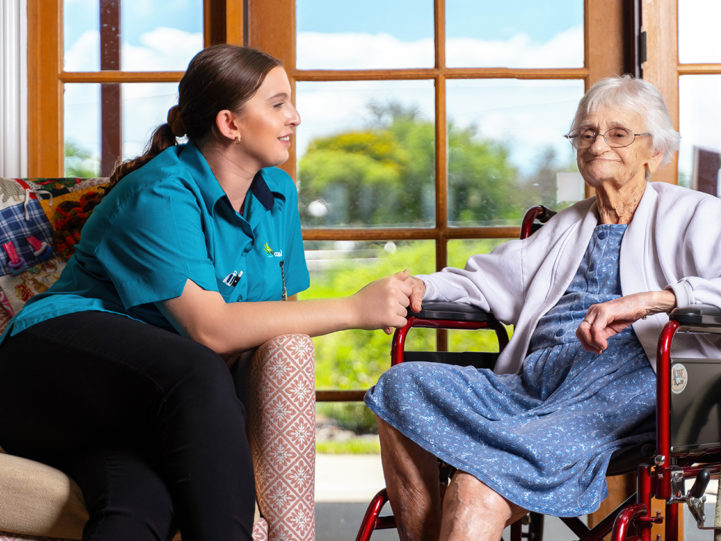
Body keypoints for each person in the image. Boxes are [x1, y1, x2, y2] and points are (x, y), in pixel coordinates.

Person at [0, 44, 413, 541]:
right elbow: (210, 330)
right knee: (196, 368)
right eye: (278, 103)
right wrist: (354, 308)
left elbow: (279, 317)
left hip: (139, 408)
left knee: (139, 511)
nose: (295, 117)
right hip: (45, 379)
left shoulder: (277, 195)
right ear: (229, 124)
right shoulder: (161, 191)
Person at [364, 74, 721, 541]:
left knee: (477, 488)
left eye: (618, 134)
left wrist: (657, 299)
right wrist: (419, 286)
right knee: (400, 385)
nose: (598, 145)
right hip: (539, 383)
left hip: (633, 386)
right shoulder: (565, 226)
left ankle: (492, 469)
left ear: (654, 152)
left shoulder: (694, 213)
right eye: (586, 134)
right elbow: (486, 281)